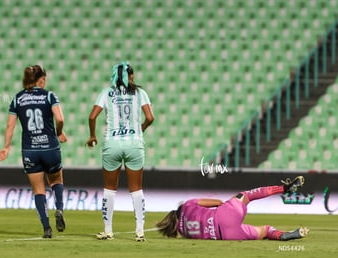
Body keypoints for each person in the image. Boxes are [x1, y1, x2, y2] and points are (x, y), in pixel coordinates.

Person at [0, 65, 67, 238]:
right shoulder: (49, 96)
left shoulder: (17, 99)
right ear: (41, 80)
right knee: (56, 180)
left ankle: (46, 228)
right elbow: (60, 118)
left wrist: (6, 147)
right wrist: (59, 132)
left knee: (38, 190)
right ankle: (59, 210)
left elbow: (9, 126)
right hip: (50, 147)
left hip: (30, 150)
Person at [86, 61, 154, 242]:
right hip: (134, 144)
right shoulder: (140, 93)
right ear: (130, 76)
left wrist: (92, 136)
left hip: (112, 144)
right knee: (136, 189)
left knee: (109, 189)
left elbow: (92, 116)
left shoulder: (106, 93)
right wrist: (141, 129)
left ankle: (108, 231)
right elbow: (150, 117)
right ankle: (140, 231)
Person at [156, 176, 310, 241]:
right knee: (246, 195)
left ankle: (283, 235)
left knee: (264, 231)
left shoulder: (183, 233)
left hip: (227, 235)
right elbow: (216, 202)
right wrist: (231, 205)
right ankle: (285, 188)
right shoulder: (187, 204)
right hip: (224, 216)